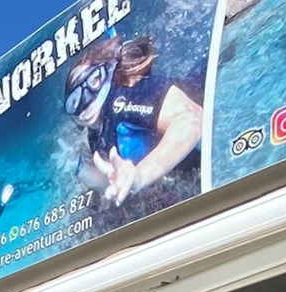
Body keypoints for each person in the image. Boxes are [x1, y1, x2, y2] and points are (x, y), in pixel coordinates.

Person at [66, 35, 204, 210]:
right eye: (75, 100)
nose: (86, 101)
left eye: (94, 80)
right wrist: (78, 167)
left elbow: (191, 118)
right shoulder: (95, 134)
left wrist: (140, 175)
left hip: (208, 85)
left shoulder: (125, 96)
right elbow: (112, 182)